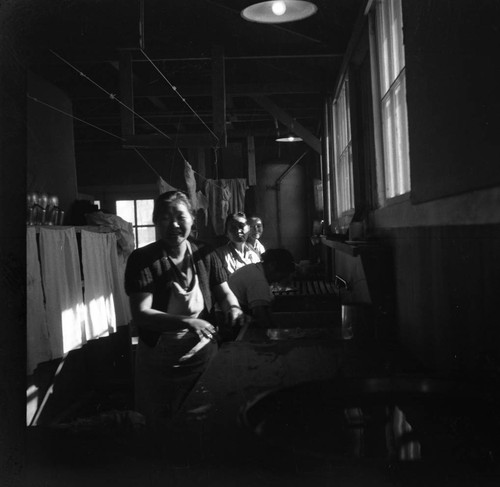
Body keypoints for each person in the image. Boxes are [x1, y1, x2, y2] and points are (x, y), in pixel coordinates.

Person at [124, 191, 245, 427]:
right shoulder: (142, 259)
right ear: (155, 221)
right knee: (159, 427)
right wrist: (188, 322)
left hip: (203, 357)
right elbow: (142, 314)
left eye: (180, 216)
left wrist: (233, 308)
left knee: (203, 421)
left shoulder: (205, 253)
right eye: (165, 218)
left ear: (192, 219)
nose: (174, 225)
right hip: (159, 362)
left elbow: (225, 293)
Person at [227, 249, 295, 328]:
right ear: (272, 265)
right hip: (231, 321)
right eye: (281, 275)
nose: (279, 280)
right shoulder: (258, 280)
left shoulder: (255, 269)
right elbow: (260, 315)